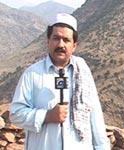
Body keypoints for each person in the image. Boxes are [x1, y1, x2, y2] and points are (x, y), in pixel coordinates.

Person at [10, 13, 110, 150]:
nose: (60, 44)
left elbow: (95, 115)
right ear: (48, 41)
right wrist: (46, 116)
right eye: (56, 38)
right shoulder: (32, 74)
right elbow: (16, 113)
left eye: (66, 40)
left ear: (74, 45)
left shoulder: (83, 72)